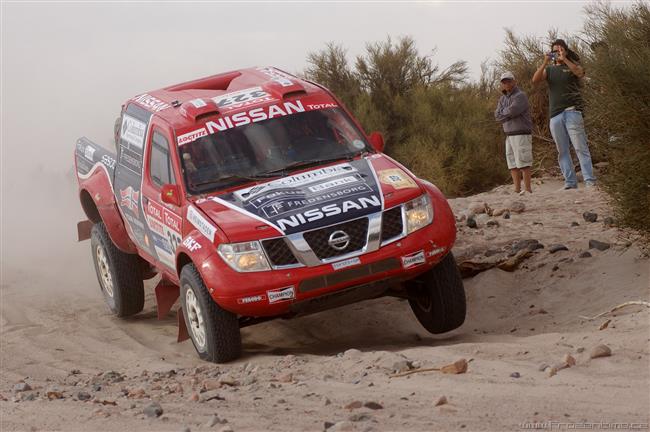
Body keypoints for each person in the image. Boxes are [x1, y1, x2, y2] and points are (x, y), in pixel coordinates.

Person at [532, 38, 596, 190]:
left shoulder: (571, 66)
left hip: (572, 111)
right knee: (562, 150)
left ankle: (589, 180)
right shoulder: (549, 70)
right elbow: (535, 80)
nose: (557, 52)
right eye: (555, 50)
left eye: (560, 49)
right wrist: (544, 62)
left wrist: (565, 59)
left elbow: (580, 73)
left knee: (580, 147)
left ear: (565, 51)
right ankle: (570, 182)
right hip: (555, 115)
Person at [494, 71, 533, 195]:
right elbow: (497, 115)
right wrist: (506, 113)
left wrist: (504, 113)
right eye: (504, 82)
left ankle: (527, 189)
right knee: (512, 163)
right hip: (509, 134)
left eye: (509, 81)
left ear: (514, 81)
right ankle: (516, 189)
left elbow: (513, 111)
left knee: (524, 162)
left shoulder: (520, 96)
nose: (506, 83)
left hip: (521, 133)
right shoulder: (502, 98)